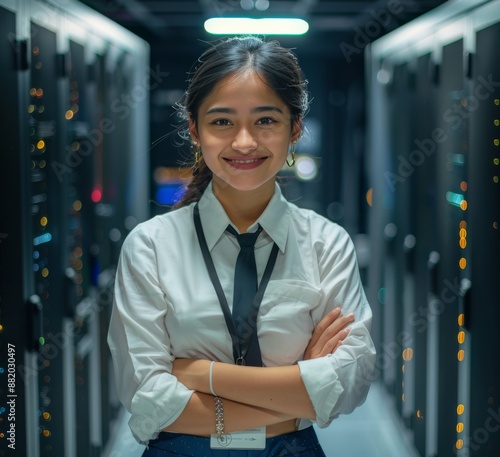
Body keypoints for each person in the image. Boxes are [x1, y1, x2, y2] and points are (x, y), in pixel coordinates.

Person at [108, 36, 376, 457]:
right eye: (222, 122)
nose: (245, 142)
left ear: (296, 128)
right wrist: (295, 396)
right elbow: (148, 398)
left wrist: (201, 374)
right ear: (195, 130)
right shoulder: (151, 246)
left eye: (266, 120)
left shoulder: (327, 244)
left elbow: (350, 382)